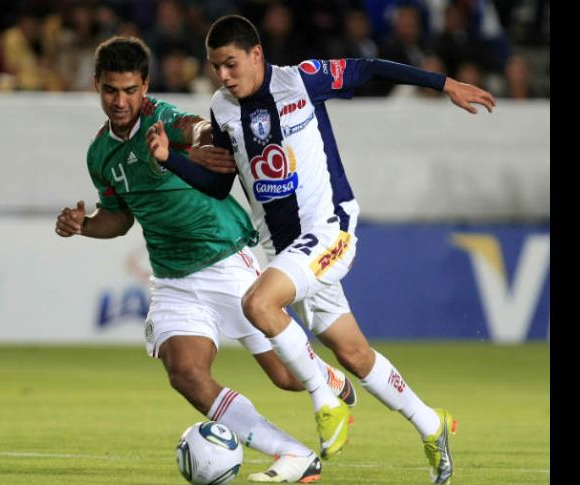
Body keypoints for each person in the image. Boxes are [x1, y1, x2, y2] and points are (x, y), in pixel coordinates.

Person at [146, 15, 496, 485]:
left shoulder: (301, 80)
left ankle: (325, 398)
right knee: (352, 354)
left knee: (258, 303)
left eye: (230, 64)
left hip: (329, 229)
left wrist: (444, 82)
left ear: (256, 55)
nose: (223, 76)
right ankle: (432, 424)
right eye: (215, 67)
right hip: (285, 250)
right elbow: (219, 183)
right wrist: (171, 162)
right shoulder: (222, 108)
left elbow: (370, 68)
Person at [54, 36, 358, 484]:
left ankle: (323, 377)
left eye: (130, 90)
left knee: (287, 379)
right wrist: (84, 224)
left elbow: (199, 128)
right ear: (96, 85)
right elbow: (118, 219)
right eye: (111, 91)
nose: (121, 101)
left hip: (226, 263)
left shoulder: (162, 119)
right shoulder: (99, 154)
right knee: (186, 373)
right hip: (174, 279)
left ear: (146, 86)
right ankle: (293, 455)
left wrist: (195, 146)